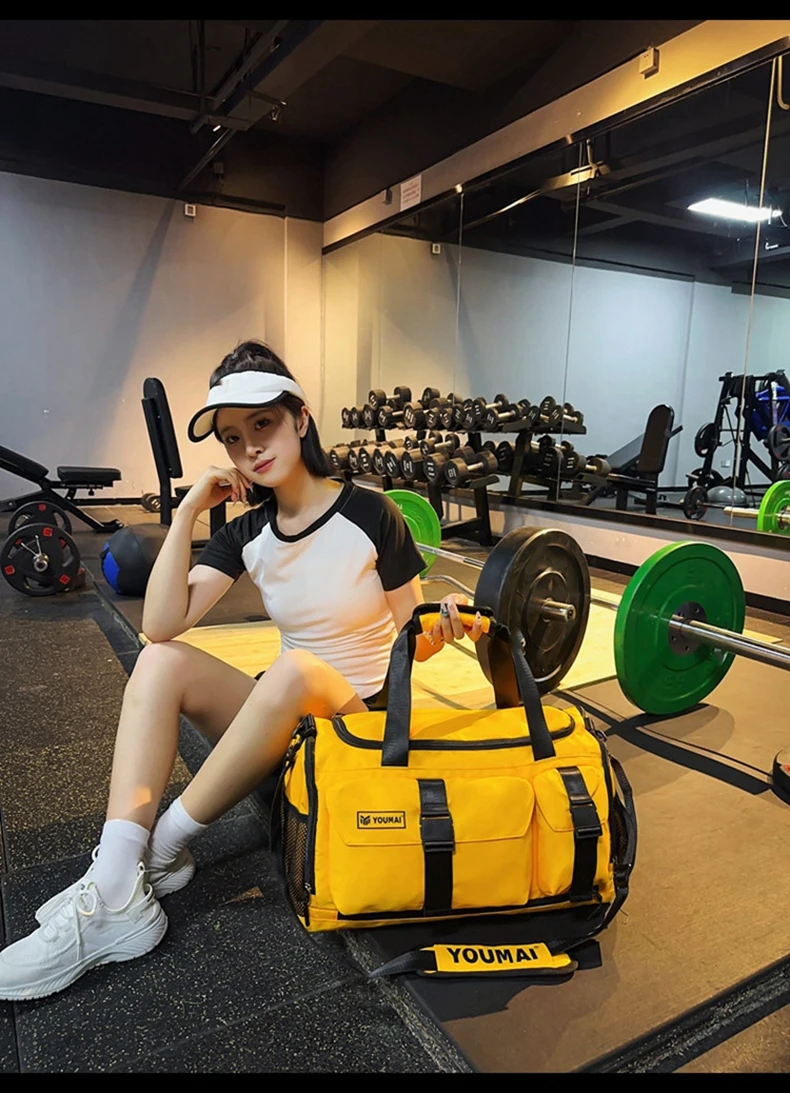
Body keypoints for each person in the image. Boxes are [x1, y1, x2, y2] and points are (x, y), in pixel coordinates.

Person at [0, 340, 483, 1001]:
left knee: (293, 670)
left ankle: (156, 852)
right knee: (160, 662)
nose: (250, 447)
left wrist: (443, 629)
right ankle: (117, 881)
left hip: (357, 727)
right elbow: (160, 624)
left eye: (263, 424)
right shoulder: (247, 532)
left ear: (300, 419)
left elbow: (410, 639)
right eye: (232, 437)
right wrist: (189, 511)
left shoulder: (374, 513)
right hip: (282, 724)